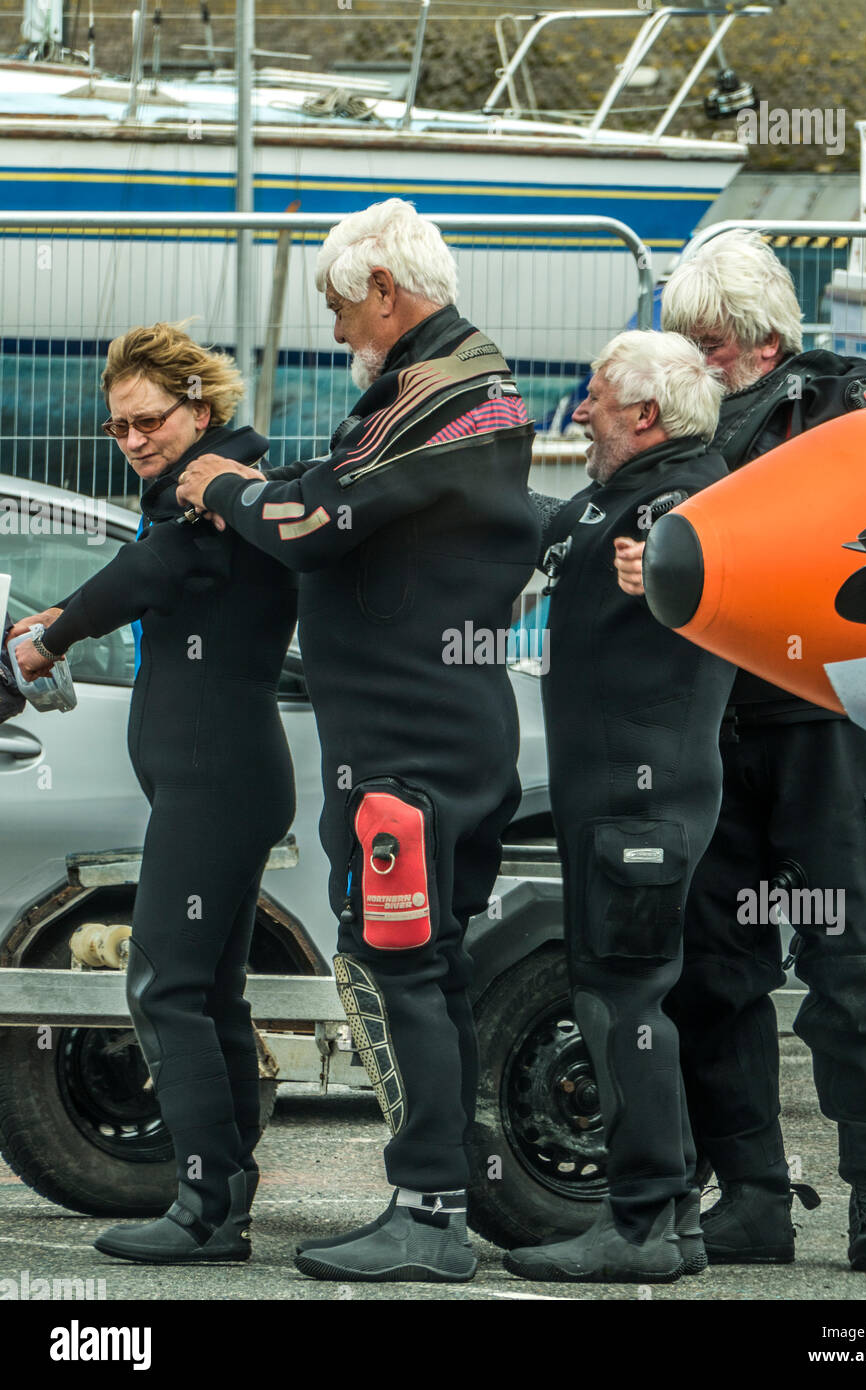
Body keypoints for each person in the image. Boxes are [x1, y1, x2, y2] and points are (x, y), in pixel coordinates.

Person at [176, 198, 540, 1283]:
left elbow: (314, 519)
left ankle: (427, 1211)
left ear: (386, 290)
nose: (337, 332)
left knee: (392, 967)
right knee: (433, 966)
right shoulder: (474, 387)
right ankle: (440, 1194)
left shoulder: (439, 392)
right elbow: (344, 498)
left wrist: (221, 483)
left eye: (341, 307)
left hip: (407, 748)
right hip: (448, 730)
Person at [614, 229, 866, 1272]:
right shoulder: (692, 423)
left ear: (751, 337)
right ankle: (754, 1194)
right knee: (713, 968)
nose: (696, 358)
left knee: (854, 971)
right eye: (689, 340)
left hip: (835, 731)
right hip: (722, 730)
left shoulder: (847, 407)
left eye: (705, 339)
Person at [13, 323, 296, 1263]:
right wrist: (54, 617)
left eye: (148, 422)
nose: (133, 441)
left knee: (165, 983)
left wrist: (50, 638)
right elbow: (148, 577)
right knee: (206, 992)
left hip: (218, 781)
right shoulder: (187, 494)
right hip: (208, 780)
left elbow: (152, 573)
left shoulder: (219, 492)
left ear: (199, 410)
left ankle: (207, 1206)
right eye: (117, 429)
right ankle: (224, 1198)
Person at [502, 331, 735, 1283]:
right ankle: (670, 1217)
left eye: (596, 396)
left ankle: (635, 1224)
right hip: (618, 802)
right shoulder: (620, 497)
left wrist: (675, 568)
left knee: (620, 1003)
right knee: (624, 998)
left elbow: (713, 558)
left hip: (643, 804)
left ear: (645, 413)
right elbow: (552, 526)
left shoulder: (688, 502)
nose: (580, 411)